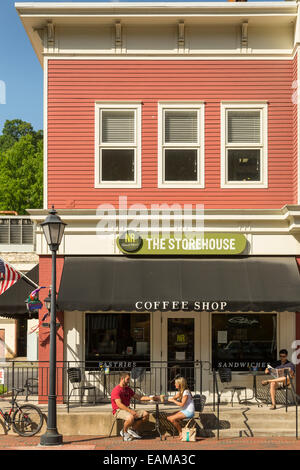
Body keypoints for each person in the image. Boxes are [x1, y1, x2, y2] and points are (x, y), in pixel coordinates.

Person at [111, 371, 159, 441]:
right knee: (130, 417)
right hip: (118, 410)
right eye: (127, 379)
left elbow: (139, 397)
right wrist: (131, 411)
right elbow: (119, 405)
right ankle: (124, 431)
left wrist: (151, 398)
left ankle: (132, 429)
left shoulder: (128, 389)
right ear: (122, 379)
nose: (129, 381)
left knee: (145, 414)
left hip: (128, 409)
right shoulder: (116, 390)